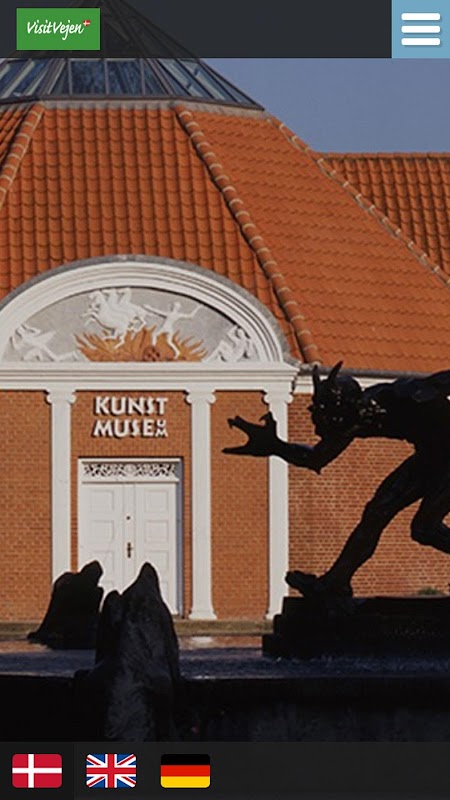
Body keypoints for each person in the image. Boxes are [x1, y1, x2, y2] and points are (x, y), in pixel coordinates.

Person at [224, 361, 450, 600]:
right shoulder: (350, 421)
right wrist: (276, 446)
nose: (323, 424)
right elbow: (316, 458)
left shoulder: (403, 395)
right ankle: (335, 583)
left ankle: (335, 582)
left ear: (347, 406)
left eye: (328, 415)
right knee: (377, 512)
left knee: (425, 528)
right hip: (431, 457)